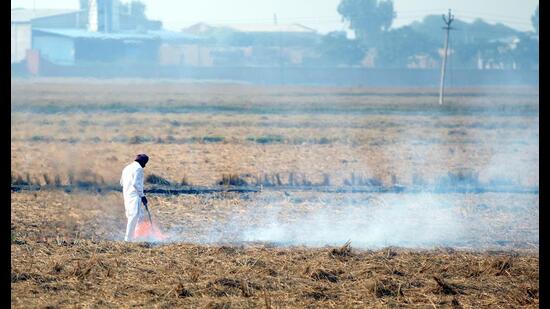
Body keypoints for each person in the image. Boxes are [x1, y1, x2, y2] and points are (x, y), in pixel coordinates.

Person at [120, 154, 149, 241]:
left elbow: (121, 182)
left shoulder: (127, 168)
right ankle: (128, 240)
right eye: (145, 163)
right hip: (134, 196)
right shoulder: (138, 169)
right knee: (133, 217)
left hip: (126, 195)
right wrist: (142, 195)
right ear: (142, 162)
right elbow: (136, 184)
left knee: (133, 216)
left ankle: (137, 237)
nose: (145, 166)